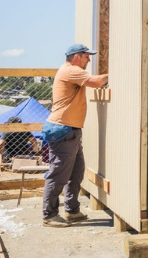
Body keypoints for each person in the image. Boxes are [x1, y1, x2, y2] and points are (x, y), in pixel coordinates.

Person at [40, 44, 108, 227]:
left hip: (70, 130)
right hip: (63, 129)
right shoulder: (71, 70)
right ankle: (49, 215)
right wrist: (118, 73)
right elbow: (96, 82)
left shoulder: (70, 71)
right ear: (77, 57)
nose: (89, 60)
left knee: (76, 173)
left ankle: (72, 210)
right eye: (87, 56)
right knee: (59, 175)